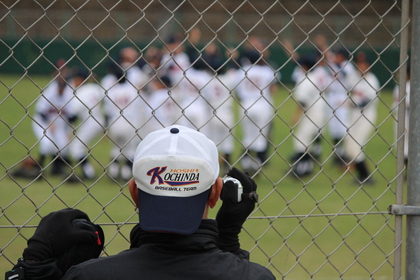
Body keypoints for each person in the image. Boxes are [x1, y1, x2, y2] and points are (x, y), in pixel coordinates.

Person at [6, 125, 275, 280]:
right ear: (216, 193)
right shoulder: (255, 277)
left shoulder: (87, 277)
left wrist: (32, 267)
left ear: (134, 192)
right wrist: (228, 243)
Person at [290, 52, 332, 178]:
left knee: (301, 141)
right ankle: (306, 168)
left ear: (305, 67)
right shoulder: (316, 76)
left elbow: (303, 102)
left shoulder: (306, 79)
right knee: (306, 141)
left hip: (312, 112)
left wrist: (296, 116)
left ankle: (301, 170)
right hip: (319, 111)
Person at [344, 55, 380, 184]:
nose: (360, 66)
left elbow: (366, 101)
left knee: (356, 146)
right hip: (354, 115)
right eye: (359, 64)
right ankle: (362, 175)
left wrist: (352, 102)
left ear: (369, 66)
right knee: (349, 146)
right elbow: (348, 89)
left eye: (363, 64)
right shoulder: (356, 78)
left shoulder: (372, 80)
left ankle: (365, 176)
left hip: (367, 116)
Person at [67, 69, 106, 180]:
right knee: (78, 147)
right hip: (100, 121)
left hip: (91, 124)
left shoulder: (79, 93)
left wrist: (69, 131)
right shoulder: (94, 88)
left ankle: (89, 174)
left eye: (75, 79)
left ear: (80, 79)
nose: (73, 82)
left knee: (76, 148)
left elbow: (72, 116)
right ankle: (88, 173)